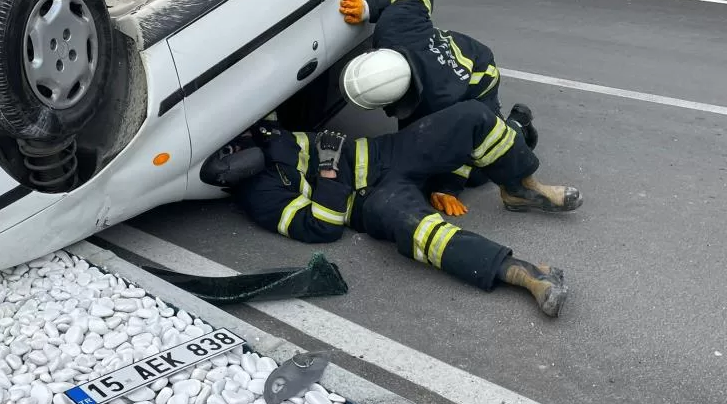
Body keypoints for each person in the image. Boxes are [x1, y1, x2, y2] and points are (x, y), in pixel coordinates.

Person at [200, 102, 583, 317]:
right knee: (422, 231)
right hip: (369, 199)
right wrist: (330, 172)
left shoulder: (262, 129)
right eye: (230, 149)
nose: (239, 143)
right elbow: (322, 228)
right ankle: (523, 273)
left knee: (473, 117)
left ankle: (520, 189)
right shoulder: (259, 197)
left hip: (382, 153)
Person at [338, 0, 538, 216]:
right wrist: (369, 7)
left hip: (479, 76)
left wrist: (447, 188)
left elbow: (465, 137)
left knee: (481, 168)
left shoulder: (440, 101)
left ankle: (518, 125)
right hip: (451, 58)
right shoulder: (392, 27)